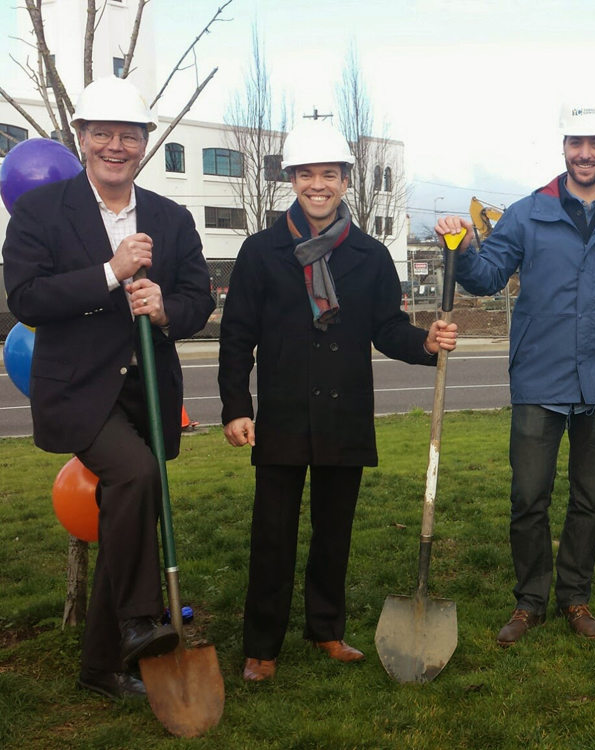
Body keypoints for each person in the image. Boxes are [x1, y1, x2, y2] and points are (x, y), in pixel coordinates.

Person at [218, 120, 457, 682]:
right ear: (292, 180)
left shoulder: (370, 256)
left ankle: (326, 629)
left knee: (335, 532)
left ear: (346, 181)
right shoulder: (260, 251)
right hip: (279, 416)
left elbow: (387, 327)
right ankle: (261, 644)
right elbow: (236, 337)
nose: (317, 185)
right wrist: (235, 406)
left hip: (344, 414)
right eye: (306, 174)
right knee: (272, 535)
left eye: (329, 174)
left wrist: (424, 341)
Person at [2, 77, 215, 698]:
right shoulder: (42, 211)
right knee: (136, 476)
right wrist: (110, 272)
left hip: (145, 388)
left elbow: (199, 299)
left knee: (127, 517)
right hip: (78, 390)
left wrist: (164, 308)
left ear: (144, 143)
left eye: (129, 134)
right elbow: (28, 298)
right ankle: (141, 619)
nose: (115, 145)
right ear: (82, 138)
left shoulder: (171, 218)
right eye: (102, 134)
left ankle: (101, 667)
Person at [434, 103, 595, 645]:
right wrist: (460, 247)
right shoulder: (528, 212)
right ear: (563, 147)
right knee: (528, 497)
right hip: (539, 377)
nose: (585, 153)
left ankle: (575, 598)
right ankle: (530, 600)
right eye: (576, 142)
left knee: (590, 499)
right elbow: (486, 279)